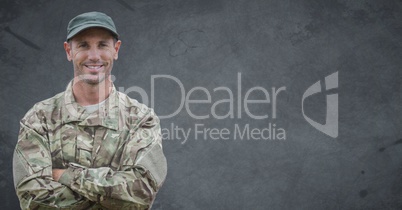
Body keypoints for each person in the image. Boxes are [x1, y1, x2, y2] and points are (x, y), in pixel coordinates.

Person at [13, 11, 167, 209]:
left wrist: (64, 175)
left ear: (116, 49)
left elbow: (141, 192)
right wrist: (111, 197)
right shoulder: (39, 118)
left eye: (103, 45)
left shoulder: (141, 119)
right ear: (69, 51)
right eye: (83, 45)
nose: (94, 56)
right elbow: (32, 197)